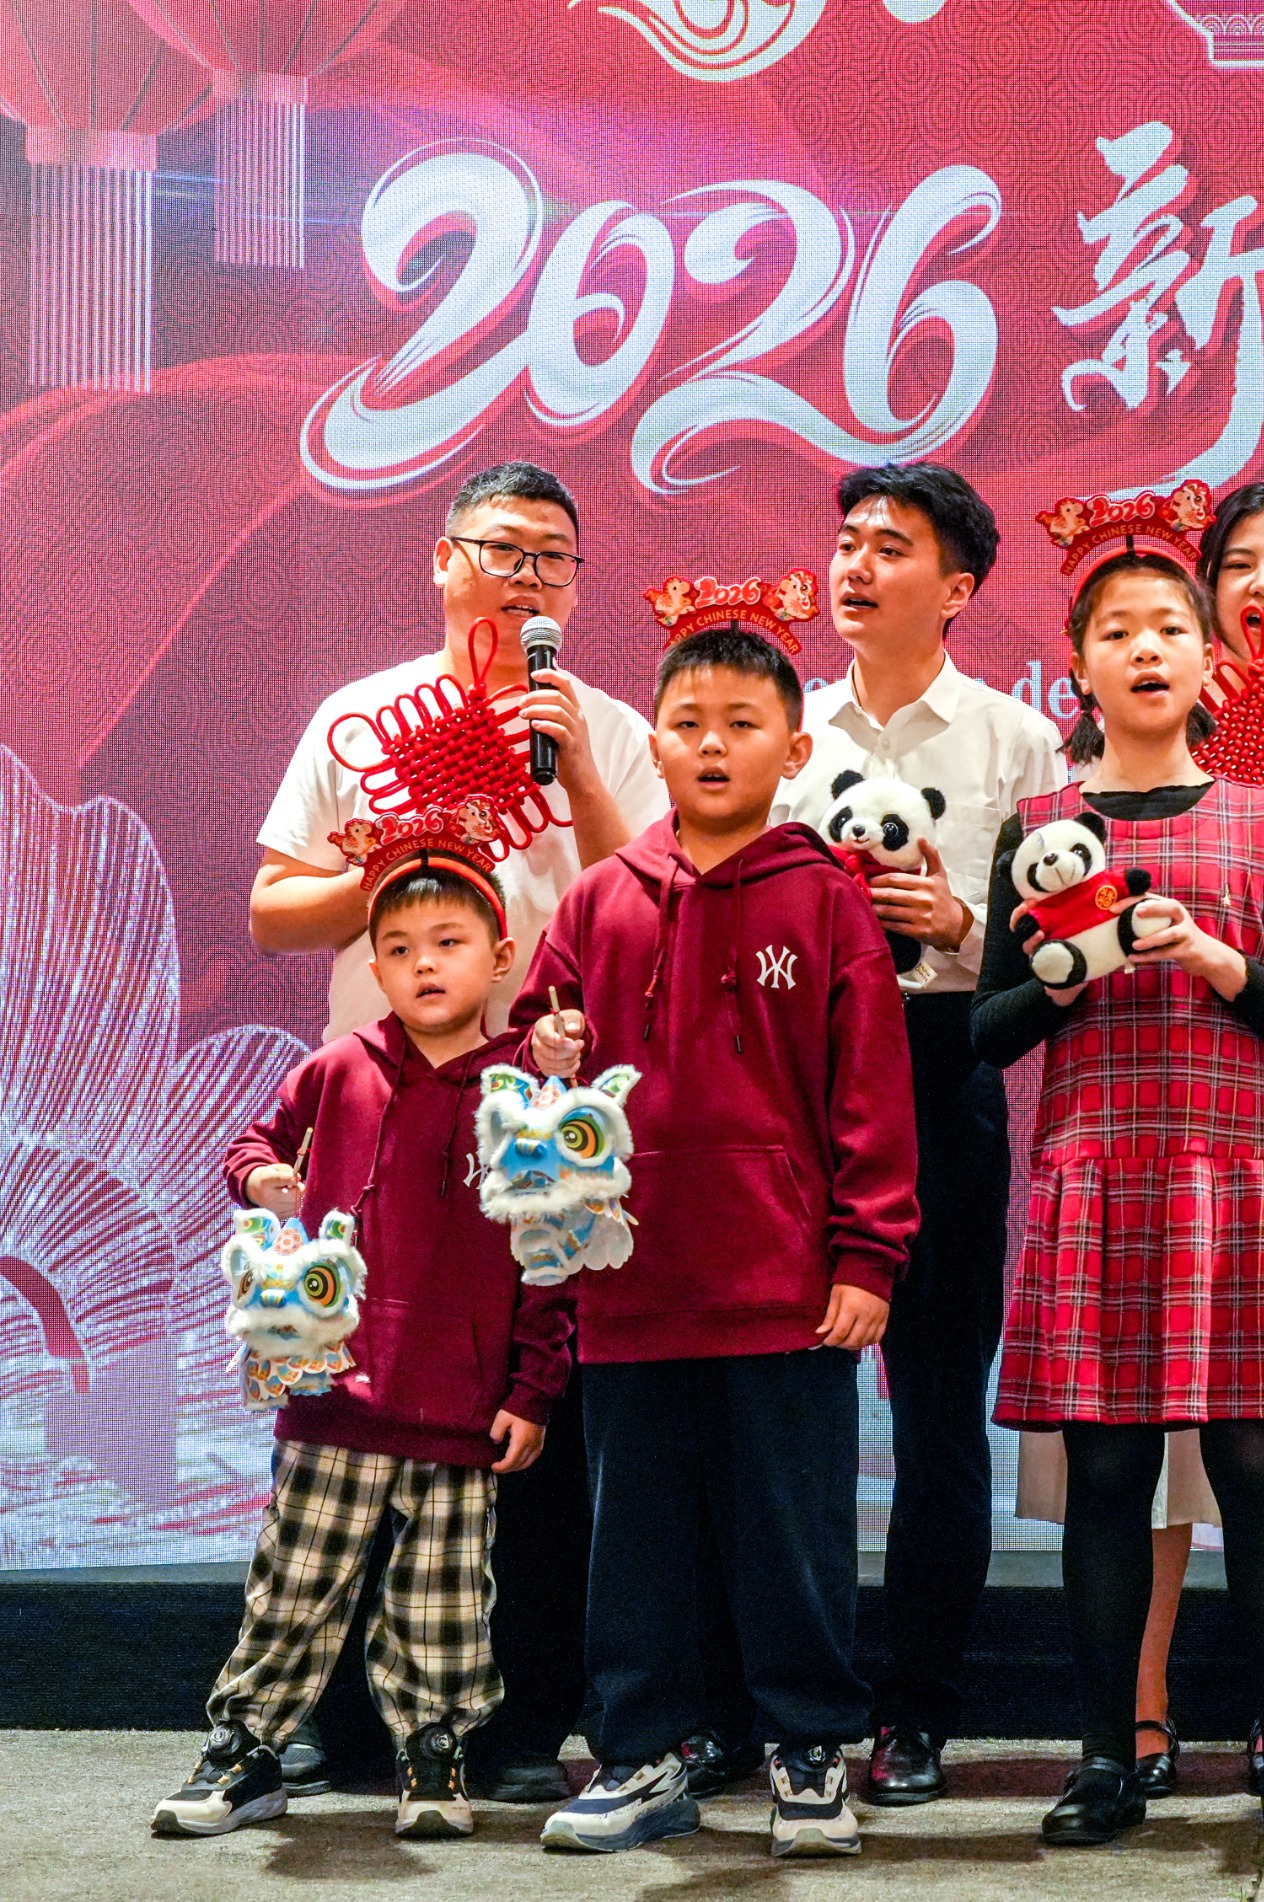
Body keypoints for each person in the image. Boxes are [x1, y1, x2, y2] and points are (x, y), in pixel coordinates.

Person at [248, 458, 663, 1803]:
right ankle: (329, 1716)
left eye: (555, 559)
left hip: (543, 1118)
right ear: (441, 560)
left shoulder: (604, 723)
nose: (530, 577)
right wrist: (386, 859)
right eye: (505, 550)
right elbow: (272, 909)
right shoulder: (359, 716)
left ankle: (525, 1720)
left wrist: (584, 773)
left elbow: (651, 901)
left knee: (529, 1408)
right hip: (379, 1107)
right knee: (350, 1403)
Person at [1011, 482, 1264, 1797]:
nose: (1147, 650)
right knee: (1115, 1471)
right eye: (1118, 631)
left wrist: (1220, 950)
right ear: (1078, 663)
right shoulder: (1046, 823)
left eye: (1167, 630)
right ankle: (1110, 1749)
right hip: (1104, 1157)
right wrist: (1067, 976)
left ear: (1206, 657)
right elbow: (992, 1020)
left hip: (1247, 1150)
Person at [517, 619, 919, 1858]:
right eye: (688, 724)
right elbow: (538, 1044)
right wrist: (548, 1053)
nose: (711, 745)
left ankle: (809, 1750)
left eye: (742, 725)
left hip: (786, 1289)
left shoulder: (827, 901)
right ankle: (641, 1753)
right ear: (654, 740)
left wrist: (867, 1255)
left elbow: (870, 1093)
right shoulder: (598, 897)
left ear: (792, 749)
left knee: (791, 1535)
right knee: (634, 1541)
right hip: (630, 1290)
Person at [154, 817, 575, 1843]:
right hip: (331, 1394)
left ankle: (434, 1754)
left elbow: (552, 1260)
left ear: (502, 954)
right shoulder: (337, 1068)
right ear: (370, 965)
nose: (423, 965)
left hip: (461, 1410)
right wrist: (263, 1176)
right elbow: (253, 1139)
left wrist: (529, 1391)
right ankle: (247, 1749)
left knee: (440, 1607)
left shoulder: (528, 1097)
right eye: (398, 948)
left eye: (448, 942)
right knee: (293, 1588)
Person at [777, 462, 1068, 1805]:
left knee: (938, 1412)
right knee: (785, 1408)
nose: (852, 566)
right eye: (844, 543)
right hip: (791, 1082)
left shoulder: (1017, 743)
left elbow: (1054, 949)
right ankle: (794, 1696)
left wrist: (961, 926)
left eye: (887, 547)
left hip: (944, 1067)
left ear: (954, 589)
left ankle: (916, 1709)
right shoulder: (783, 730)